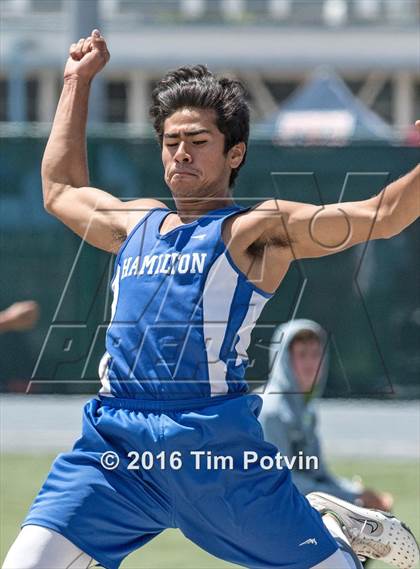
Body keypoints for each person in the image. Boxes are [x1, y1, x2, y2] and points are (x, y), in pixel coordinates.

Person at [3, 29, 419, 569]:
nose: (181, 153)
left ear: (234, 152)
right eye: (171, 141)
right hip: (116, 450)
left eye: (198, 142)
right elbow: (58, 189)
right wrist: (75, 81)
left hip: (214, 451)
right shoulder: (136, 225)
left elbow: (382, 217)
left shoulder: (255, 231)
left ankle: (333, 534)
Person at [258, 319, 394, 509]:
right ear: (284, 359)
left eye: (316, 354)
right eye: (301, 354)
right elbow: (280, 481)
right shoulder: (271, 410)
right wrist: (353, 500)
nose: (310, 363)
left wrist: (356, 492)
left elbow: (316, 472)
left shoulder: (306, 408)